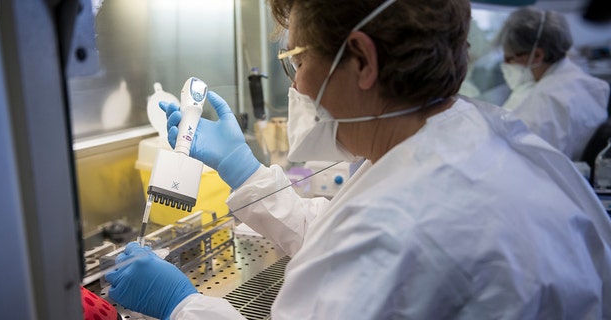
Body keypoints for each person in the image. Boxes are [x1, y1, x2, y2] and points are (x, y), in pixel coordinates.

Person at [105, 0, 611, 319]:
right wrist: (245, 171)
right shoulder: (486, 137)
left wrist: (183, 306)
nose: (298, 83)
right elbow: (339, 230)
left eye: (298, 62)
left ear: (362, 60)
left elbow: (369, 246)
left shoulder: (395, 233)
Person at [497, 6, 610, 161]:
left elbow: (519, 163)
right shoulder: (590, 84)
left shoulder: (545, 103)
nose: (506, 65)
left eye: (509, 58)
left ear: (537, 55)